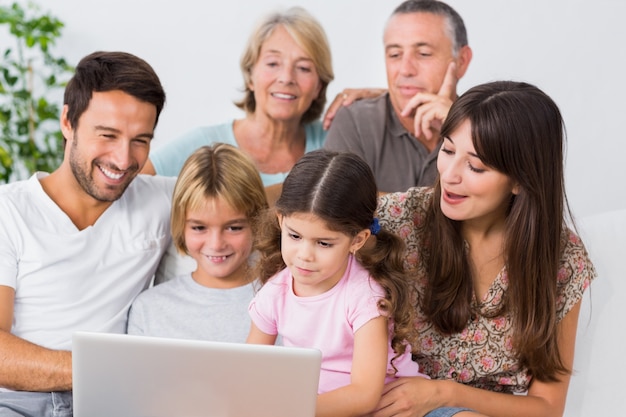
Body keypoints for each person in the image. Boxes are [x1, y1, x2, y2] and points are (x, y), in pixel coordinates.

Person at [372, 81, 597, 417]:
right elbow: (306, 205)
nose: (449, 176)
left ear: (521, 180)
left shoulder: (563, 261)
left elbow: (548, 407)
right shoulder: (401, 218)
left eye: (475, 167)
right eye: (447, 151)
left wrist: (442, 393)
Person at [0, 51, 172, 416]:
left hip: (108, 403)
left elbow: (254, 196)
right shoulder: (8, 211)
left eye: (141, 140)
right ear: (67, 121)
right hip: (15, 401)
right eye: (107, 135)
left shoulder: (163, 202)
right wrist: (106, 369)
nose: (124, 160)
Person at [246, 149, 426, 417]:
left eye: (323, 243)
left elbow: (364, 395)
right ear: (281, 221)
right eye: (295, 236)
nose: (305, 255)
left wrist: (291, 410)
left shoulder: (364, 298)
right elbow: (249, 368)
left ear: (357, 240)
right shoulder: (276, 291)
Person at [142, 7, 333, 193]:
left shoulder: (334, 142)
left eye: (304, 68)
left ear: (319, 85)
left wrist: (362, 103)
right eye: (273, 63)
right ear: (250, 76)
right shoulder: (205, 146)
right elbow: (132, 190)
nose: (286, 77)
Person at [324, 0, 473, 193]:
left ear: (461, 61)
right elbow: (337, 208)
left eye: (423, 54)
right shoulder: (355, 121)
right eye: (394, 54)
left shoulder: (490, 129)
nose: (405, 69)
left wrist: (461, 131)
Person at [127, 143, 268, 342]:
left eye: (234, 228)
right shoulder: (149, 309)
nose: (216, 244)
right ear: (181, 226)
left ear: (257, 223)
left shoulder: (284, 301)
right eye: (199, 228)